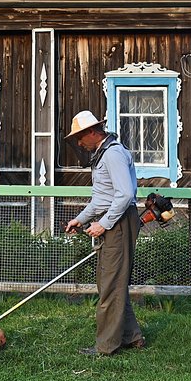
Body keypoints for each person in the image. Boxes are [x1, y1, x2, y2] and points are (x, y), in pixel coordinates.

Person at [64, 110, 146, 356]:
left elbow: (125, 195)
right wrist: (80, 219)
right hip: (115, 220)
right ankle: (132, 336)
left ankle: (106, 346)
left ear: (92, 132)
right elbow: (101, 199)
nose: (79, 143)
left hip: (120, 222)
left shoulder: (113, 154)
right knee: (110, 282)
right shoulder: (102, 155)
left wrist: (105, 224)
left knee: (110, 284)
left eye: (80, 137)